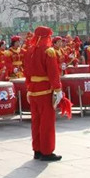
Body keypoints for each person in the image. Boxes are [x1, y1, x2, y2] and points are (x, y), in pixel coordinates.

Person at [24, 26, 69, 162]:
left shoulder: (29, 51)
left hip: (33, 90)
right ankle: (46, 151)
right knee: (47, 122)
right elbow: (53, 73)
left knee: (36, 121)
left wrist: (29, 88)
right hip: (45, 91)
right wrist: (58, 89)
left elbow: (27, 73)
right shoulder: (49, 51)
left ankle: (37, 150)